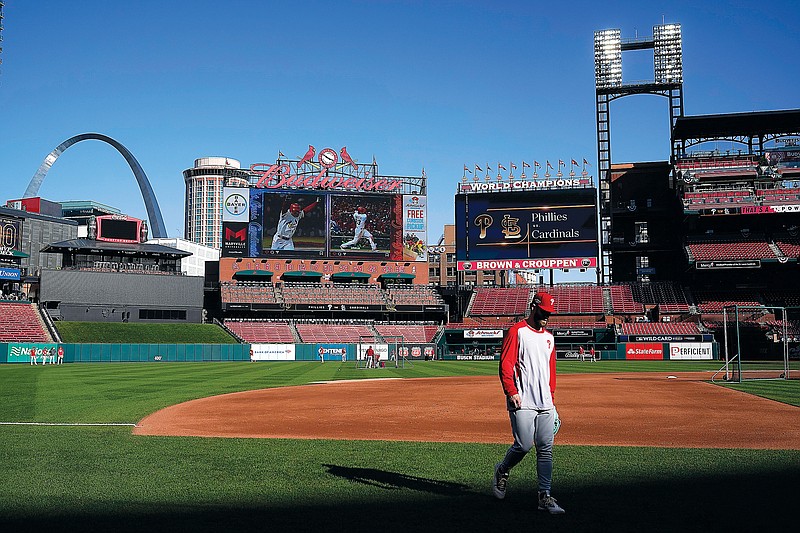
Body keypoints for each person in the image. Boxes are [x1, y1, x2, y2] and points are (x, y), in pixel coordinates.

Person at [492, 291, 565, 515]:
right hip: (522, 399)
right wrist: (511, 391)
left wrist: (551, 401)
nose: (546, 317)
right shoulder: (517, 331)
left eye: (549, 314)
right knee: (524, 445)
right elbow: (506, 364)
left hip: (545, 403)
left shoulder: (549, 338)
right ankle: (502, 471)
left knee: (546, 449)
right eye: (543, 312)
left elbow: (550, 373)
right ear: (534, 307)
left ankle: (545, 496)